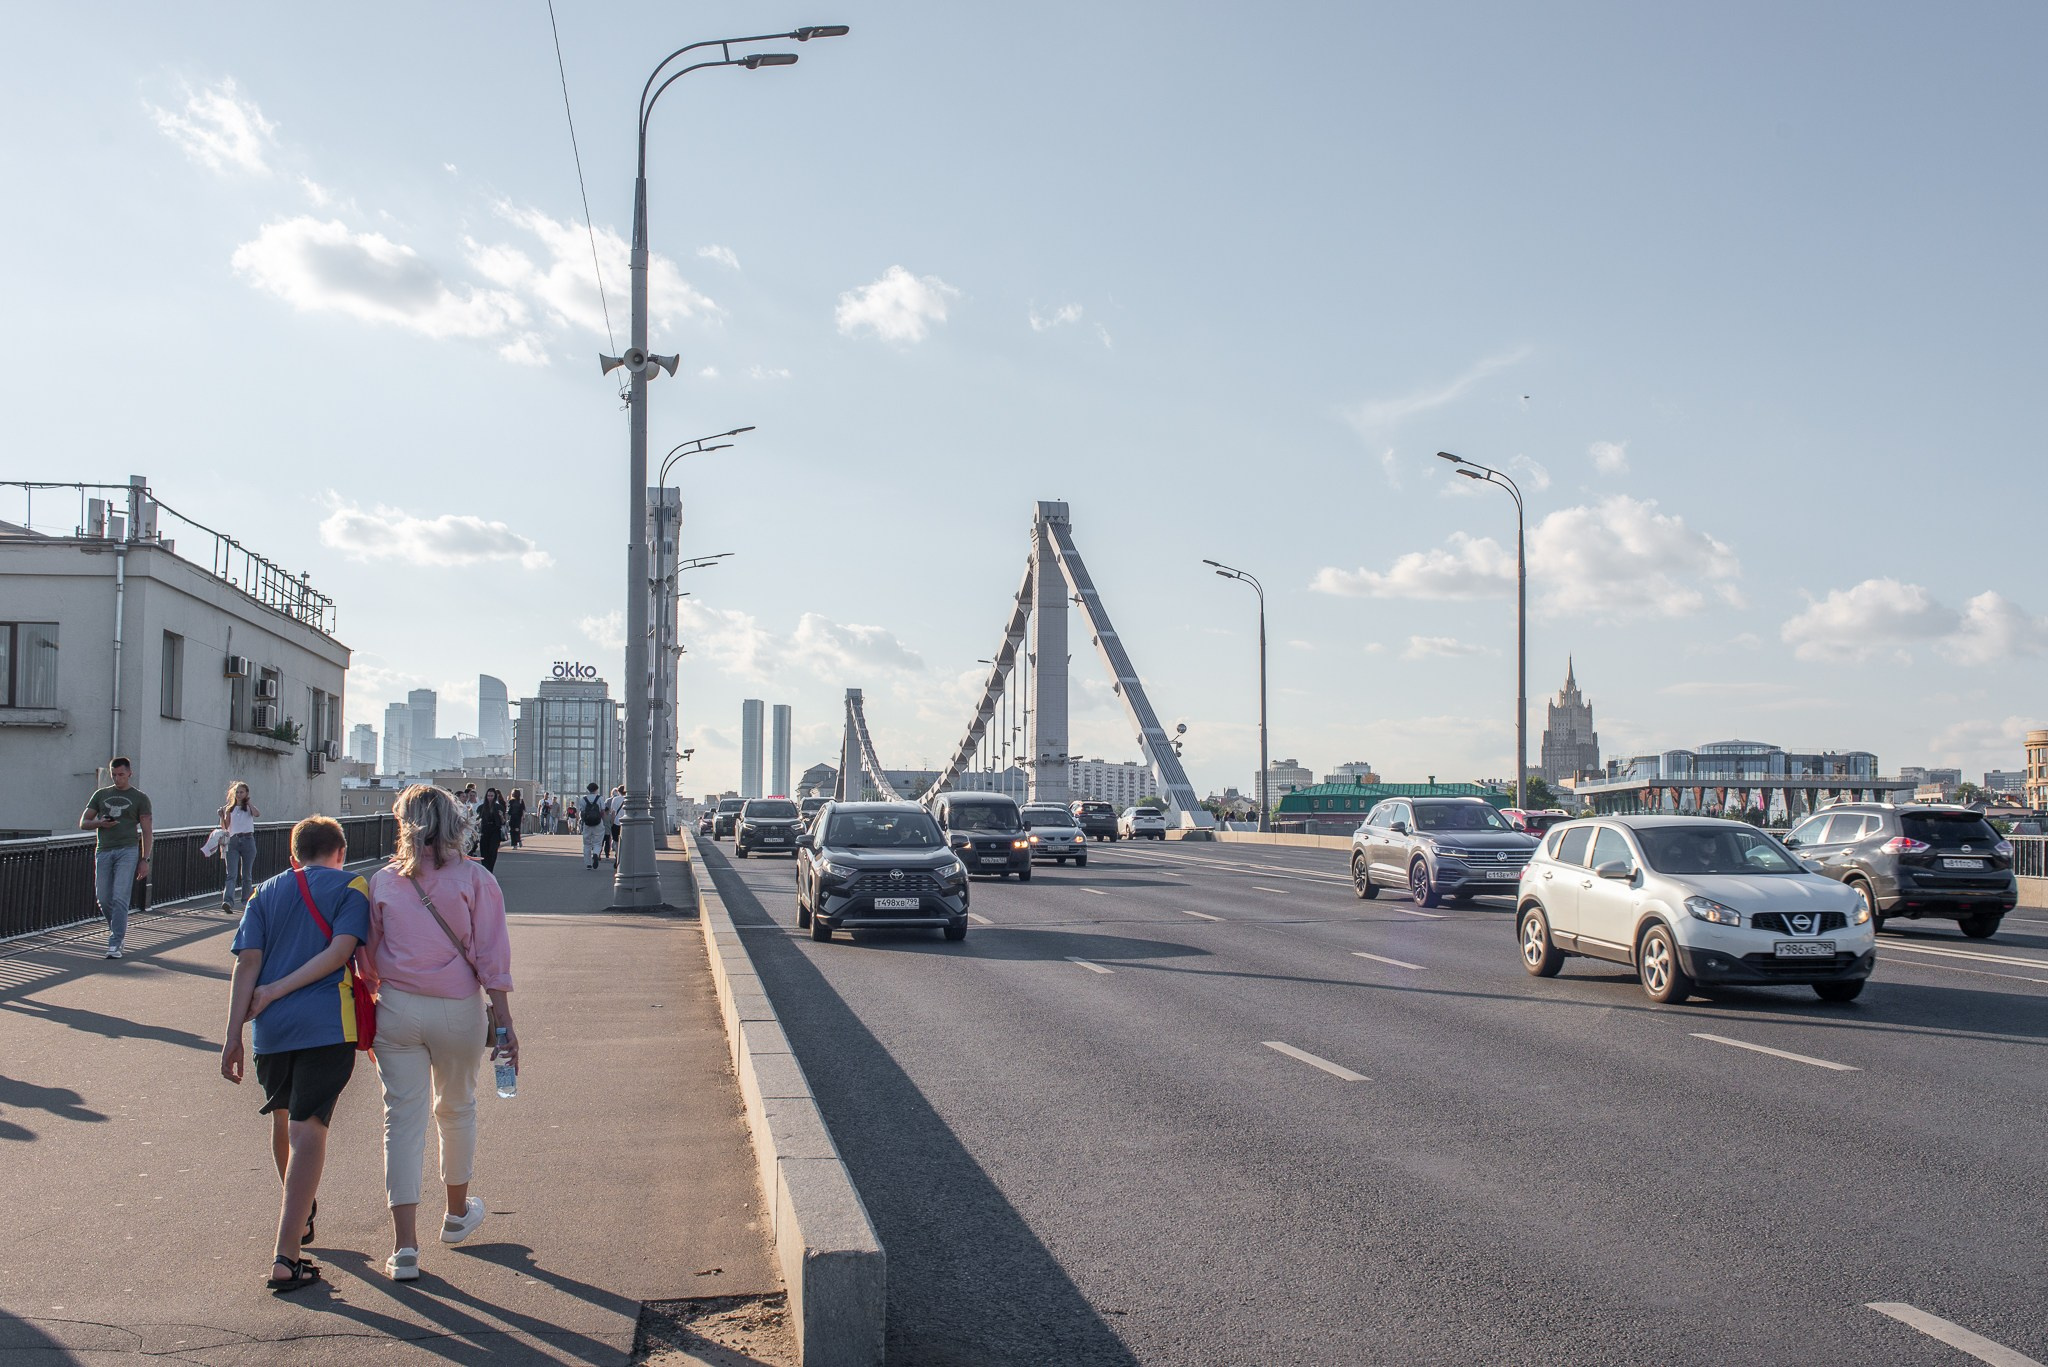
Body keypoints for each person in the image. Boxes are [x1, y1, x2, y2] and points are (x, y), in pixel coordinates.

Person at [363, 784, 517, 1283]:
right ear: (454, 821)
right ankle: (455, 1216)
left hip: (398, 1009)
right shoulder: (476, 878)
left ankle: (404, 1248)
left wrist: (380, 1001)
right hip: (458, 1008)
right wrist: (505, 1021)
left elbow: (367, 956)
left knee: (401, 1122)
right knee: (457, 1108)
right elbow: (492, 955)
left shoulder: (383, 882)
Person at [221, 815, 371, 1294]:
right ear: (340, 852)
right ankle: (287, 1254)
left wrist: (231, 1036)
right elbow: (340, 951)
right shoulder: (353, 887)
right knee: (310, 1127)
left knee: (284, 1120)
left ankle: (300, 1210)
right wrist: (284, 988)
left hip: (271, 1031)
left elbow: (246, 964)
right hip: (327, 1023)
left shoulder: (262, 894)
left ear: (293, 856)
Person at [78, 758, 153, 959]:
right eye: (114, 775)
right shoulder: (101, 795)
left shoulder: (140, 798)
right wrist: (100, 823)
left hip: (127, 850)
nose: (117, 778)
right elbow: (84, 822)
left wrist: (145, 859)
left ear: (130, 774)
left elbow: (147, 831)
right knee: (103, 898)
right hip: (103, 850)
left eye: (121, 774)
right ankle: (117, 930)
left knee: (120, 897)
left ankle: (115, 942)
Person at [222, 781, 262, 911]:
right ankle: (228, 901)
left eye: (241, 792)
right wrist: (223, 816)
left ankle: (246, 901)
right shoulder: (230, 808)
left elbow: (257, 814)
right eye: (237, 792)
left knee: (246, 874)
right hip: (233, 840)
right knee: (231, 874)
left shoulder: (249, 808)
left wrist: (249, 803)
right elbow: (226, 826)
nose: (239, 794)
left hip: (248, 840)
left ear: (246, 793)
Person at [578, 782, 607, 869]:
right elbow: (603, 811)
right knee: (597, 842)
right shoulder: (600, 798)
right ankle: (595, 854)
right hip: (598, 822)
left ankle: (588, 864)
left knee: (587, 843)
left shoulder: (584, 799)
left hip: (587, 823)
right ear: (596, 789)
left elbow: (582, 812)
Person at [476, 788, 506, 872]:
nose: (490, 798)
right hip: (484, 830)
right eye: (488, 796)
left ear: (495, 797)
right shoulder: (481, 807)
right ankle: (485, 869)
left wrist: (501, 816)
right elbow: (477, 819)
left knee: (492, 850)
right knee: (484, 851)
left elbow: (503, 821)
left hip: (495, 830)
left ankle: (490, 869)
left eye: (492, 796)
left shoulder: (499, 807)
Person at [602, 785, 626, 864]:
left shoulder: (615, 799)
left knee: (616, 841)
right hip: (626, 823)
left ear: (618, 791)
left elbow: (613, 812)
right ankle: (622, 855)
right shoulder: (627, 799)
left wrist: (611, 823)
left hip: (616, 822)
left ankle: (617, 854)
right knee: (625, 840)